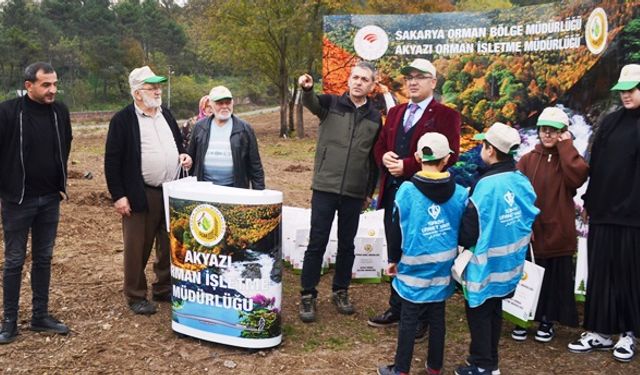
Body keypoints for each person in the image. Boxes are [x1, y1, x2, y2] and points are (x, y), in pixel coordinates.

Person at [369, 58, 461, 337]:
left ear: (433, 82)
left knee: (421, 253)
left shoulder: (447, 115)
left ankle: (421, 316)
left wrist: (408, 166)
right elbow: (381, 144)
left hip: (425, 198)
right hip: (393, 196)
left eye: (420, 77)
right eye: (409, 76)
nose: (412, 81)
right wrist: (383, 156)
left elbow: (451, 154)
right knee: (396, 250)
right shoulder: (396, 112)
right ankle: (397, 307)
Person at [297, 61, 382, 322]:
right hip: (325, 186)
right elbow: (310, 103)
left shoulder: (375, 117)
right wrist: (307, 89)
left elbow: (373, 158)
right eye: (355, 77)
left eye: (364, 79)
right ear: (349, 80)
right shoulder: (331, 104)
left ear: (371, 85)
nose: (358, 82)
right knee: (317, 242)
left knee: (347, 245)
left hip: (354, 192)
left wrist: (368, 191)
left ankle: (340, 290)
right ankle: (307, 294)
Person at [377, 133, 468, 375]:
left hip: (412, 266)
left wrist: (393, 259)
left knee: (409, 317)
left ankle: (401, 369)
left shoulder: (406, 190)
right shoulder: (460, 193)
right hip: (443, 266)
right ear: (447, 158)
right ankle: (434, 367)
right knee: (437, 316)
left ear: (417, 157)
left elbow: (395, 228)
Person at [104, 66, 192, 315]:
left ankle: (164, 287)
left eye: (158, 86)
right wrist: (119, 196)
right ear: (137, 93)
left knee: (168, 243)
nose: (157, 90)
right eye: (151, 87)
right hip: (140, 193)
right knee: (137, 247)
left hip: (170, 190)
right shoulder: (123, 120)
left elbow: (179, 144)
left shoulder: (166, 114)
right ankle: (135, 295)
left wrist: (184, 156)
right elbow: (112, 161)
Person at [567, 63, 640, 362]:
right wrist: (590, 202)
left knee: (629, 275)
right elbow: (597, 166)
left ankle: (629, 333)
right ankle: (600, 330)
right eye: (622, 90)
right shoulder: (610, 122)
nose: (626, 95)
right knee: (600, 274)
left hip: (634, 217)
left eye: (632, 89)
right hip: (603, 212)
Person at [455, 122, 539, 375]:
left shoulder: (486, 185)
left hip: (484, 266)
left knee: (479, 314)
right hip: (510, 265)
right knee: (494, 311)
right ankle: (489, 361)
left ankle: (483, 365)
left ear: (490, 150)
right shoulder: (520, 179)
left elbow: (470, 228)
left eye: (483, 145)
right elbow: (530, 215)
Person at [0, 62, 72, 344]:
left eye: (54, 84)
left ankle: (40, 316)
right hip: (18, 200)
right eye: (46, 85)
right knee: (14, 260)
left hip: (50, 199)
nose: (52, 90)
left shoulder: (59, 112)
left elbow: (66, 143)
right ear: (29, 85)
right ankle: (9, 322)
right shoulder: (7, 112)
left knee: (44, 258)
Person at [512, 107, 588, 342]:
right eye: (544, 130)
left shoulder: (568, 158)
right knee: (528, 275)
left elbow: (578, 177)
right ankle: (522, 316)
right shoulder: (527, 159)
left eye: (553, 131)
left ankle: (547, 320)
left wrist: (566, 147)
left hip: (558, 229)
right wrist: (526, 224)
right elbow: (517, 194)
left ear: (563, 132)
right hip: (532, 229)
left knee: (554, 278)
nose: (547, 135)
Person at [188, 86, 265, 189]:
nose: (224, 106)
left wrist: (259, 194)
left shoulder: (244, 129)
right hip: (204, 189)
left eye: (228, 102)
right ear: (211, 104)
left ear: (232, 103)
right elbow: (191, 159)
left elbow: (255, 166)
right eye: (220, 103)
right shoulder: (200, 127)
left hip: (235, 189)